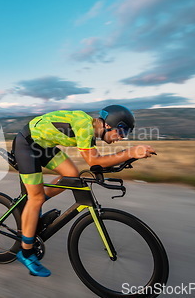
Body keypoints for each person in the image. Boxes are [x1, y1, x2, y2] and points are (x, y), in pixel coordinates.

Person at [12, 105, 156, 277]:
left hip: (43, 145)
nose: (122, 137)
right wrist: (131, 151)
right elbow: (95, 161)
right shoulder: (85, 126)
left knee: (71, 175)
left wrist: (129, 156)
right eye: (122, 132)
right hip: (27, 144)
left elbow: (96, 163)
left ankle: (35, 205)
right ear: (109, 125)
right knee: (34, 199)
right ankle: (26, 252)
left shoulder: (90, 130)